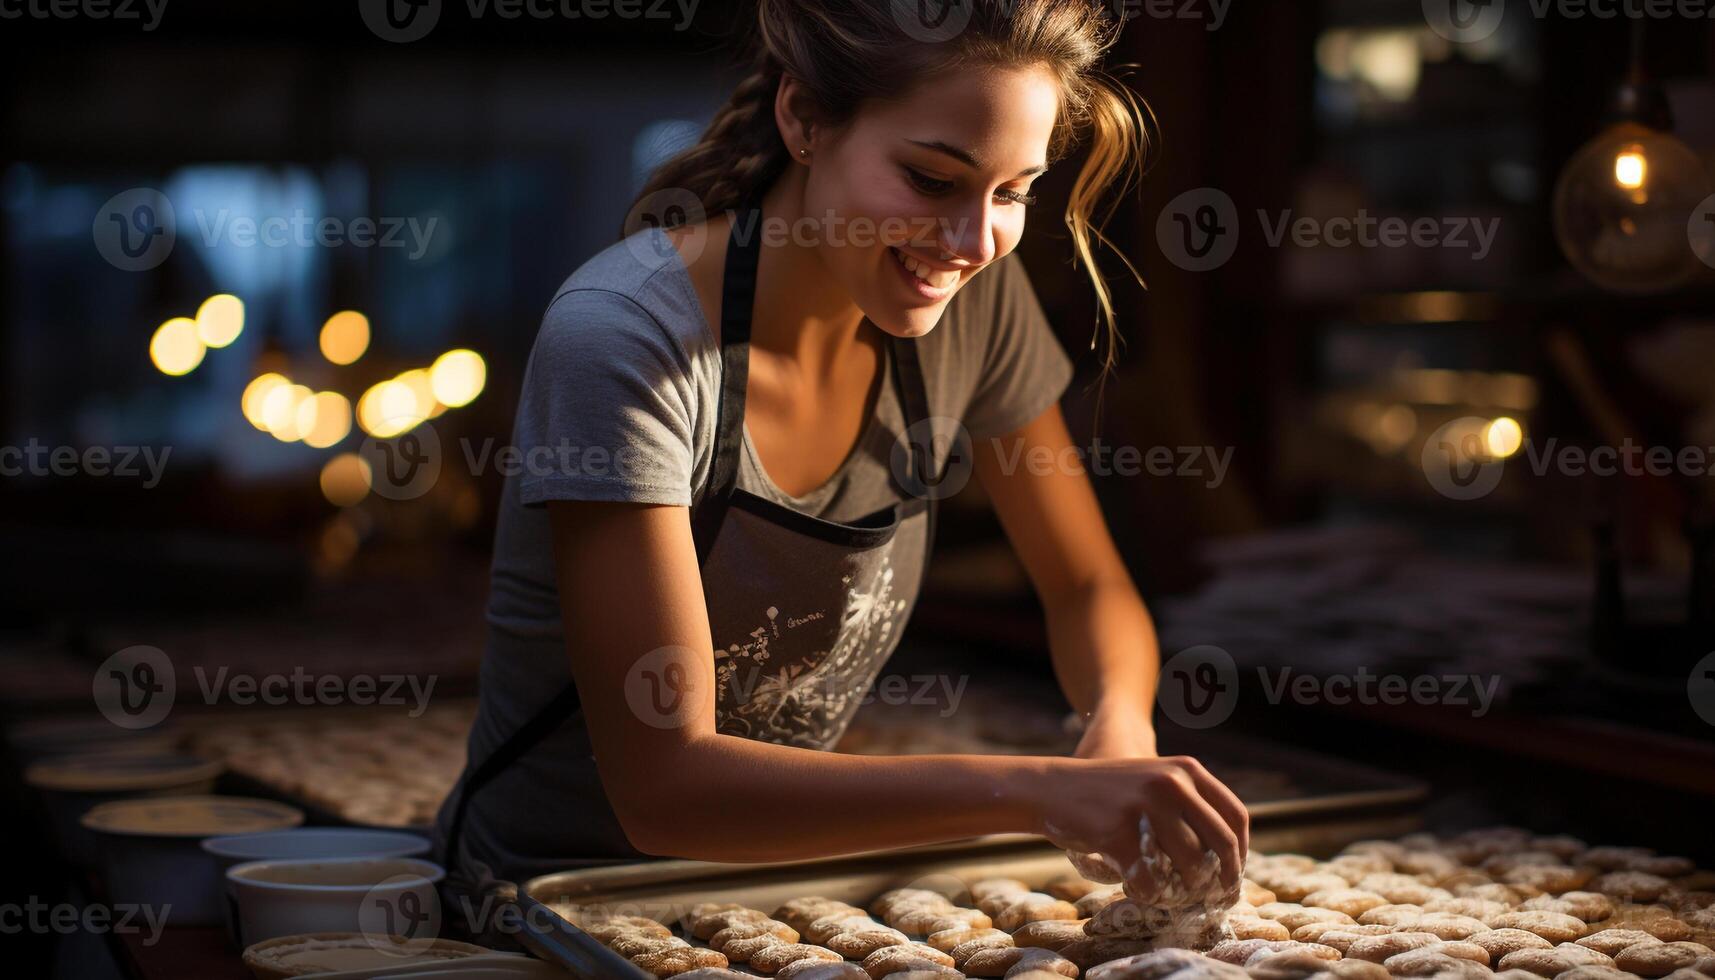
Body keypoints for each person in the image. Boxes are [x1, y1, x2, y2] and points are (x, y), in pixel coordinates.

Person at [433, 0, 1248, 919]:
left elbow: (1086, 587)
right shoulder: (624, 340)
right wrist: (1037, 792)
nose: (974, 243)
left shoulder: (972, 305)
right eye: (931, 179)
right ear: (804, 119)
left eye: (1014, 191)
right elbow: (666, 787)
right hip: (545, 903)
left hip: (769, 895)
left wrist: (1118, 731)